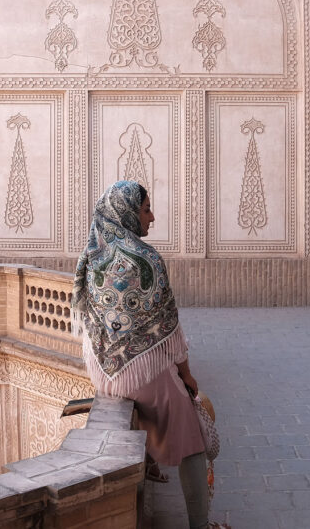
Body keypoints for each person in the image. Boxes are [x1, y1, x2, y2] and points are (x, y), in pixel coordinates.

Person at [73, 180, 213, 529]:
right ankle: (200, 524)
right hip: (137, 375)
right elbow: (169, 330)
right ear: (129, 213)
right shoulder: (146, 258)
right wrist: (187, 374)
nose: (152, 217)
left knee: (157, 397)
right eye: (146, 209)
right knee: (193, 431)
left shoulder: (93, 254)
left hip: (101, 372)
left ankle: (149, 458)